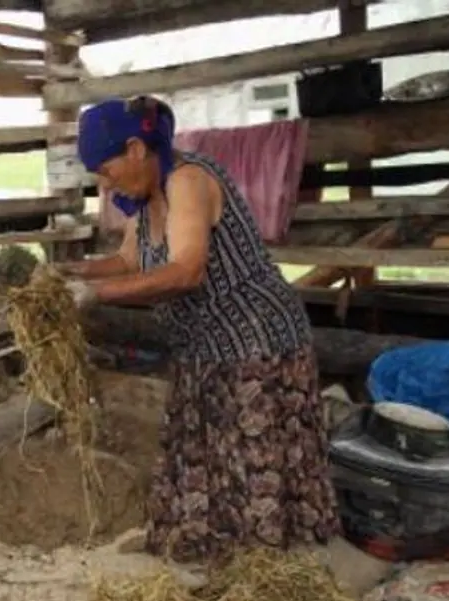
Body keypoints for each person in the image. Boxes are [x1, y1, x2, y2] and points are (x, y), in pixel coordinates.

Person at [61, 96, 340, 564]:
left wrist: (98, 296)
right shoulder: (146, 200)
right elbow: (129, 261)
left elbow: (187, 269)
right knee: (198, 450)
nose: (102, 182)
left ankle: (263, 565)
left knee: (254, 456)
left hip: (257, 343)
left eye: (105, 169)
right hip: (201, 345)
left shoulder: (187, 179)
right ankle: (201, 543)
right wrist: (76, 273)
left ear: (134, 148)